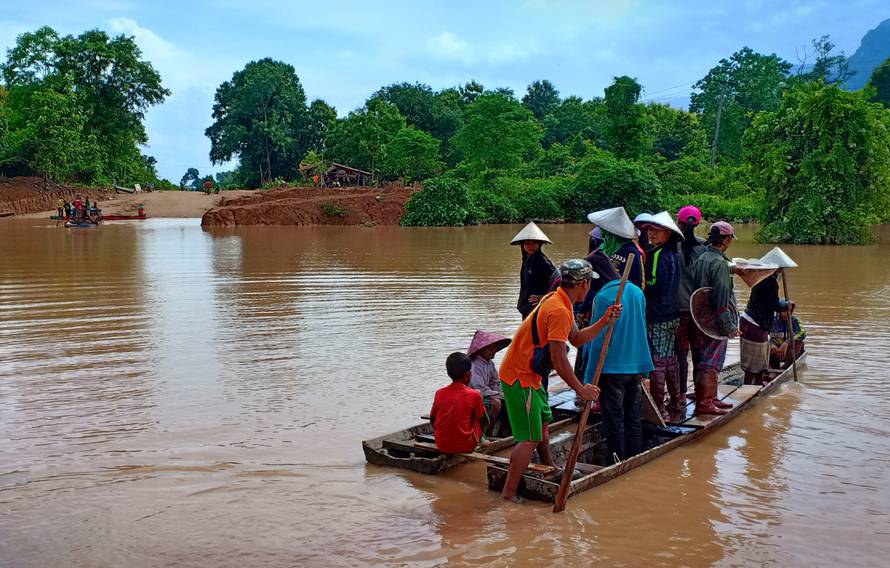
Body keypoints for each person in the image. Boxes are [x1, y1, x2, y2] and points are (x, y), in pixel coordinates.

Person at [498, 259, 621, 503]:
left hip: (531, 375)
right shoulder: (558, 310)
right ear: (583, 284)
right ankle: (508, 494)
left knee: (542, 422)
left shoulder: (559, 300)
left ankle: (549, 468)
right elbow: (559, 358)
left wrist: (605, 320)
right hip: (520, 377)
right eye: (589, 284)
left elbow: (575, 339)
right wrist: (580, 389)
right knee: (530, 438)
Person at [582, 259, 653, 462]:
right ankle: (634, 457)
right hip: (634, 366)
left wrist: (589, 379)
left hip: (611, 368)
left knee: (614, 419)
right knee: (632, 417)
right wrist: (646, 372)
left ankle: (617, 461)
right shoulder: (637, 292)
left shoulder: (604, 297)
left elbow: (597, 343)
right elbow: (641, 329)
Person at [691, 221, 739, 416]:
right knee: (711, 362)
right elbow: (721, 299)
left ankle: (709, 396)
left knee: (702, 358)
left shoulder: (702, 257)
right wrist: (728, 326)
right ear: (726, 240)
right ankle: (705, 401)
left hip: (700, 317)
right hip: (714, 322)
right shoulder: (719, 264)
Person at [642, 212, 684, 417]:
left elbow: (654, 283)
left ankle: (658, 407)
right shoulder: (673, 253)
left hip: (658, 314)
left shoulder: (657, 254)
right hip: (671, 313)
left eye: (656, 230)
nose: (651, 234)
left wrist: (639, 286)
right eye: (649, 229)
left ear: (667, 233)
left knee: (657, 361)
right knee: (670, 359)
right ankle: (676, 402)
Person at [675, 205, 705, 402]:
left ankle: (681, 395)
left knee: (680, 354)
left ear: (678, 223)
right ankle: (702, 394)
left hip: (678, 309)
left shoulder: (671, 247)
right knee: (699, 352)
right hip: (699, 310)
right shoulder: (704, 248)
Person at [429, 352, 487, 454]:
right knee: (479, 400)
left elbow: (433, 420)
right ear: (468, 374)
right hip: (466, 446)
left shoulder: (439, 393)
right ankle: (482, 439)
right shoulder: (474, 394)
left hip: (441, 444)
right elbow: (483, 420)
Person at [740, 272, 789, 385]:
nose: (781, 272)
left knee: (761, 358)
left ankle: (758, 383)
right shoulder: (770, 281)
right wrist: (787, 305)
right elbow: (774, 305)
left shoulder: (761, 277)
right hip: (754, 322)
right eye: (780, 269)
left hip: (751, 321)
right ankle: (748, 387)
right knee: (754, 360)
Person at [587, 207, 645, 289]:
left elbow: (638, 284)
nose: (603, 236)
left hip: (618, 294)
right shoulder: (600, 246)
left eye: (606, 234)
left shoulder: (633, 253)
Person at [467, 330, 511, 438]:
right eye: (490, 348)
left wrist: (502, 392)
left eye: (495, 347)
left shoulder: (489, 363)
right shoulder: (474, 365)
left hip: (487, 394)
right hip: (476, 396)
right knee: (496, 403)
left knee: (510, 398)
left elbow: (495, 382)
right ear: (481, 349)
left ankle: (503, 431)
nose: (494, 351)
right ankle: (488, 432)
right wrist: (498, 394)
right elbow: (478, 388)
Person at [512, 222, 557, 320]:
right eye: (527, 243)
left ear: (540, 244)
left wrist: (544, 297)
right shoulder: (527, 259)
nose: (531, 246)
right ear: (522, 245)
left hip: (537, 309)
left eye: (535, 242)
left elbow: (558, 282)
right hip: (527, 308)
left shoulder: (542, 262)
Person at [770, 303, 806, 368]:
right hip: (775, 349)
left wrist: (787, 343)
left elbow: (802, 333)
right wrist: (770, 343)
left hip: (789, 350)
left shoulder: (794, 320)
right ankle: (771, 368)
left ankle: (786, 366)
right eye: (784, 311)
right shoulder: (771, 320)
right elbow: (762, 333)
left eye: (789, 311)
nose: (787, 314)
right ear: (779, 311)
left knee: (799, 342)